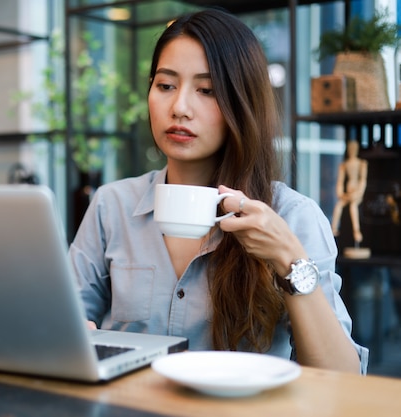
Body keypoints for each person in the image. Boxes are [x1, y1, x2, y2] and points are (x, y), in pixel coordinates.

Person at [69, 9, 367, 374]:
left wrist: (288, 260)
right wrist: (69, 333)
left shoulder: (292, 216)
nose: (179, 108)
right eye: (165, 85)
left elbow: (342, 379)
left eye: (207, 91)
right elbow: (64, 320)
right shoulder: (112, 205)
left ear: (242, 105)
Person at [330, 140, 368, 244]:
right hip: (347, 192)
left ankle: (357, 232)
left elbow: (363, 180)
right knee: (338, 206)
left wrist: (358, 193)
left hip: (356, 192)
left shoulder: (361, 163)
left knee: (353, 207)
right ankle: (333, 228)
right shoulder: (344, 165)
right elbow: (340, 181)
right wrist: (340, 193)